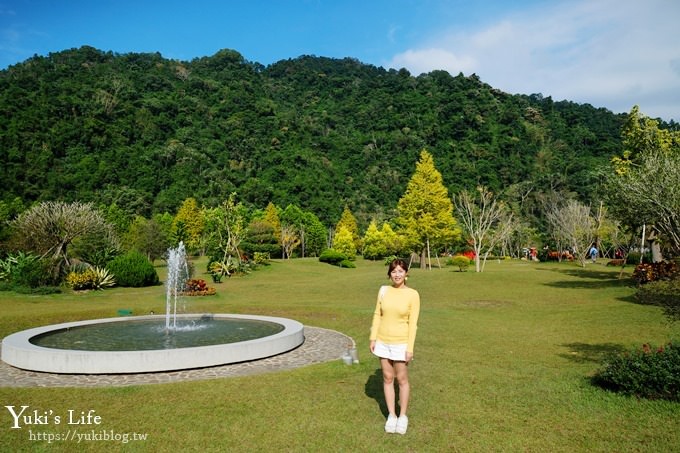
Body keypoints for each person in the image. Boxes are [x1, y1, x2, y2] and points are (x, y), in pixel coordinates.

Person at [369, 258, 420, 435]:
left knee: (402, 379)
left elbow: (413, 323)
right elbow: (378, 315)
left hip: (401, 343)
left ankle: (403, 416)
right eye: (393, 271)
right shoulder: (383, 291)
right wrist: (373, 338)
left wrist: (410, 348)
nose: (397, 274)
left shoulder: (413, 294)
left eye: (400, 271)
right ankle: (392, 415)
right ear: (390, 274)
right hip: (383, 341)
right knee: (387, 377)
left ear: (406, 274)